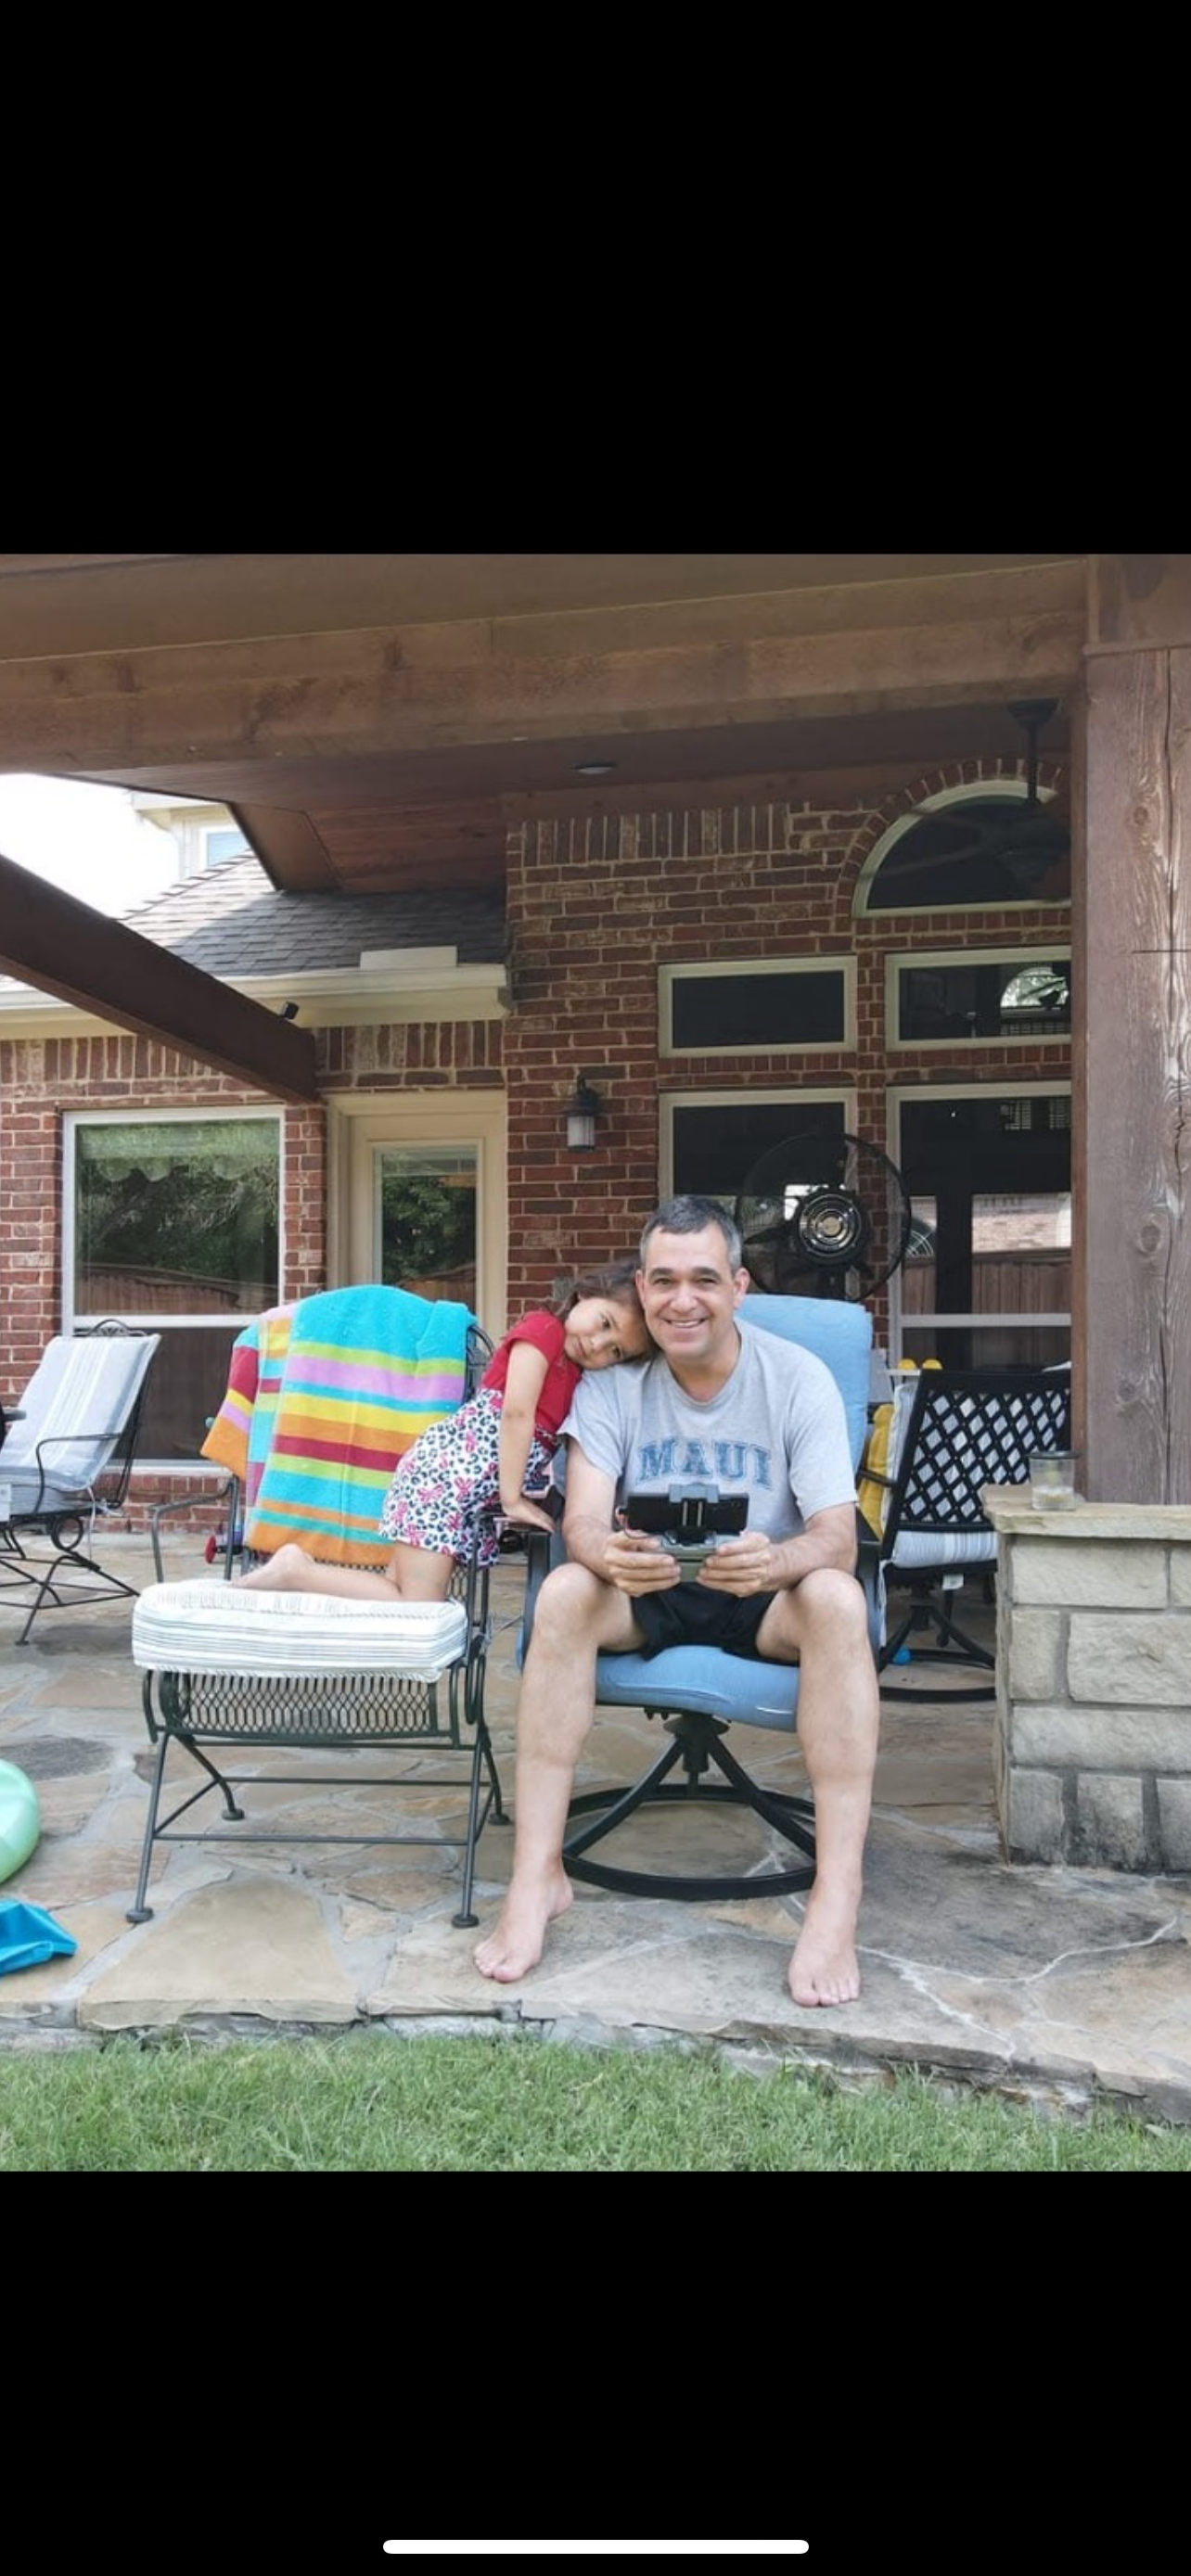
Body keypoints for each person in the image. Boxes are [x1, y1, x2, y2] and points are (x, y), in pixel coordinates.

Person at [473, 1195, 880, 2009]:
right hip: (651, 1589)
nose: (681, 1299)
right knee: (562, 1589)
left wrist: (777, 1561)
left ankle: (837, 1900)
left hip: (761, 1597)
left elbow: (837, 1534)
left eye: (702, 1279)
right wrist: (603, 1549)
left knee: (835, 1597)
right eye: (662, 1281)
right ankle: (536, 1878)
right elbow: (583, 1518)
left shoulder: (793, 1376)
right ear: (641, 1288)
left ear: (738, 1287)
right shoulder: (617, 1383)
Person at [233, 1258, 650, 1604]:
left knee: (401, 1591)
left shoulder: (578, 1375)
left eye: (616, 1351)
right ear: (584, 1294)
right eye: (604, 1323)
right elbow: (517, 1413)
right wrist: (512, 1498)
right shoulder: (544, 1331)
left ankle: (301, 1575)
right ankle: (297, 1572)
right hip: (444, 1479)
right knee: (416, 1605)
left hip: (459, 1489)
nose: (598, 1345)